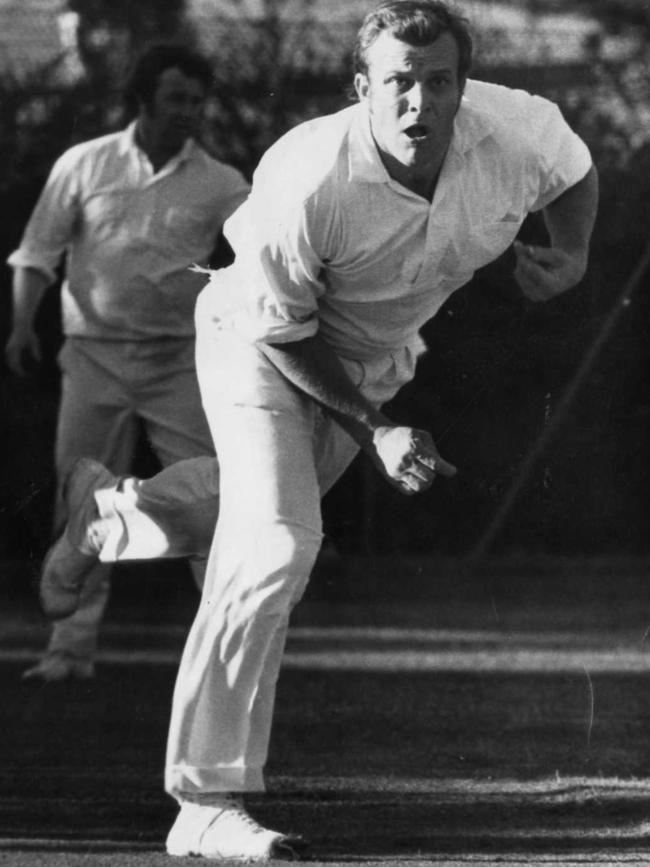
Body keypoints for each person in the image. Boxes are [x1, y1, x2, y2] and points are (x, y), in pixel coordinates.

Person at [37, 0, 599, 859]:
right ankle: (205, 800)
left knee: (244, 512)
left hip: (372, 356)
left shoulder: (518, 130)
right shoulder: (309, 174)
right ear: (362, 87)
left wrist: (574, 254)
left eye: (440, 82)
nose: (421, 105)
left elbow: (575, 167)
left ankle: (105, 514)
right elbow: (284, 330)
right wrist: (375, 431)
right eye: (399, 84)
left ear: (464, 85)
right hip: (261, 341)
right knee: (275, 543)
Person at [5, 44, 250, 682]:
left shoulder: (223, 183)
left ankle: (231, 651)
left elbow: (267, 258)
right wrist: (22, 325)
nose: (189, 113)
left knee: (215, 498)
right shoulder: (83, 164)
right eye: (176, 99)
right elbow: (37, 253)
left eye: (198, 101)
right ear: (142, 99)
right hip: (93, 358)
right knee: (78, 496)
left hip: (181, 363)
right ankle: (69, 651)